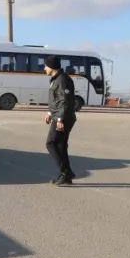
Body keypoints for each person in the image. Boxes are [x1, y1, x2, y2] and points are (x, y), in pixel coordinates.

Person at [43, 55, 77, 185]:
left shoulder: (62, 80)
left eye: (45, 66)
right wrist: (49, 112)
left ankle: (66, 172)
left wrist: (60, 120)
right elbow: (56, 100)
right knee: (61, 146)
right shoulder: (56, 79)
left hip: (63, 117)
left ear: (51, 66)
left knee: (51, 143)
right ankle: (66, 176)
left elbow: (65, 102)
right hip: (59, 116)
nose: (44, 68)